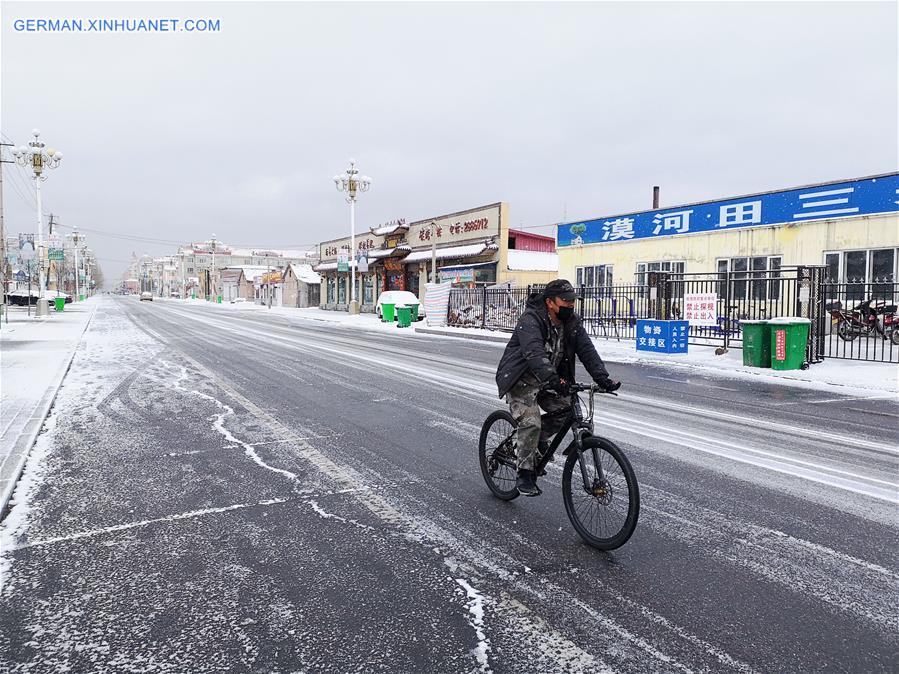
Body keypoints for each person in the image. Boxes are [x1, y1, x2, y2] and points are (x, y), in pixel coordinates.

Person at [495, 279, 620, 496]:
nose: (570, 305)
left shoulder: (571, 322)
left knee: (566, 412)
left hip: (550, 380)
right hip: (521, 380)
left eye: (573, 301)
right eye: (566, 301)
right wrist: (553, 379)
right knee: (531, 422)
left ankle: (537, 441)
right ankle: (524, 474)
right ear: (550, 302)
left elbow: (587, 351)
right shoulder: (531, 320)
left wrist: (603, 378)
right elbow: (534, 353)